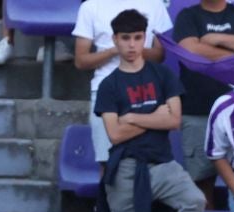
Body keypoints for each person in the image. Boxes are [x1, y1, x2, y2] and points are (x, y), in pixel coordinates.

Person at [96, 9, 204, 212]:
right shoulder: (109, 85)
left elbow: (174, 120)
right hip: (126, 168)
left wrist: (133, 116)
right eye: (125, 38)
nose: (132, 45)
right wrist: (154, 117)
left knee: (195, 202)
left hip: (162, 163)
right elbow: (115, 135)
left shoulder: (162, 75)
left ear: (145, 38)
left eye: (137, 38)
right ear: (115, 40)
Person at [169, 0, 234, 190]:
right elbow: (191, 51)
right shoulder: (187, 16)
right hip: (198, 111)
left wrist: (215, 37)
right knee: (201, 182)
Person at [71, 0, 168, 167]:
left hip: (146, 89)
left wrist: (132, 48)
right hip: (106, 91)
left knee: (152, 161)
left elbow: (159, 55)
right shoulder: (91, 6)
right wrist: (115, 50)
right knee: (108, 163)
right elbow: (81, 61)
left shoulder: (155, 4)